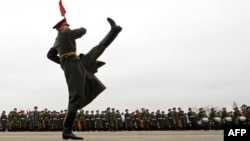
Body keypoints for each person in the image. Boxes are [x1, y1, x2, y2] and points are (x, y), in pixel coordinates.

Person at [47, 17, 122, 140]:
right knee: (76, 96)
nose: (68, 27)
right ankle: (66, 131)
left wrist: (63, 61)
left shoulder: (58, 39)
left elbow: (50, 55)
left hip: (75, 62)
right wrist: (65, 63)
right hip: (73, 65)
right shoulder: (64, 34)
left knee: (96, 51)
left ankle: (113, 31)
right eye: (66, 25)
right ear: (61, 27)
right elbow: (83, 31)